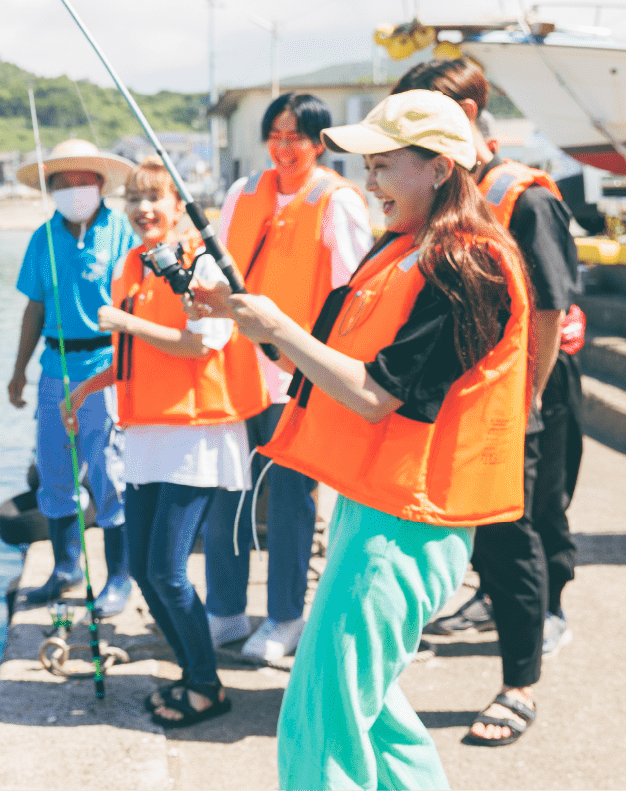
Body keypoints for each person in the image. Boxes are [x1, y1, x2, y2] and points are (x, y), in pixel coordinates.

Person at [191, 90, 534, 789]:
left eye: (382, 164)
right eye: (366, 164)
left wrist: (281, 329)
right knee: (369, 712)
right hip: (372, 507)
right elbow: (329, 361)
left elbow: (379, 394)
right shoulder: (403, 249)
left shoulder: (470, 265)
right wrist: (252, 320)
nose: (367, 180)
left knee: (323, 712)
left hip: (410, 520)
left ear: (440, 168)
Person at [394, 58, 585, 748]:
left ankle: (520, 678)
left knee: (519, 526)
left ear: (466, 118)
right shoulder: (445, 191)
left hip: (527, 385)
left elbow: (549, 307)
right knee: (480, 524)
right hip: (466, 391)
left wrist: (527, 400)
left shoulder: (520, 195)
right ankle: (494, 606)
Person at [61, 158, 269, 728]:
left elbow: (204, 344)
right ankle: (190, 674)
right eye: (134, 198)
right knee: (149, 574)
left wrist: (124, 324)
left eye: (155, 197)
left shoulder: (199, 261)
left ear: (179, 204)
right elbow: (137, 357)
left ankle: (207, 685)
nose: (143, 209)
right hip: (149, 432)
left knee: (168, 570)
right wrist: (85, 389)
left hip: (196, 435)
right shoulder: (131, 263)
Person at [202, 93, 373, 662]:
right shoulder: (242, 192)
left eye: (296, 136)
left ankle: (285, 617)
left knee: (292, 499)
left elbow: (354, 297)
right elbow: (217, 260)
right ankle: (224, 611)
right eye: (275, 134)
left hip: (296, 377)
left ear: (320, 143)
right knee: (229, 489)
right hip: (234, 370)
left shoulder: (337, 201)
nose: (283, 146)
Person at [8, 138, 140, 616]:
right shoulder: (42, 238)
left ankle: (119, 577)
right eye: (61, 183)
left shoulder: (122, 232)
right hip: (53, 368)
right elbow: (34, 306)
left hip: (105, 368)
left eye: (82, 180)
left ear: (101, 183)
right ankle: (66, 569)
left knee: (110, 473)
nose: (73, 189)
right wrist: (19, 371)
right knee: (55, 471)